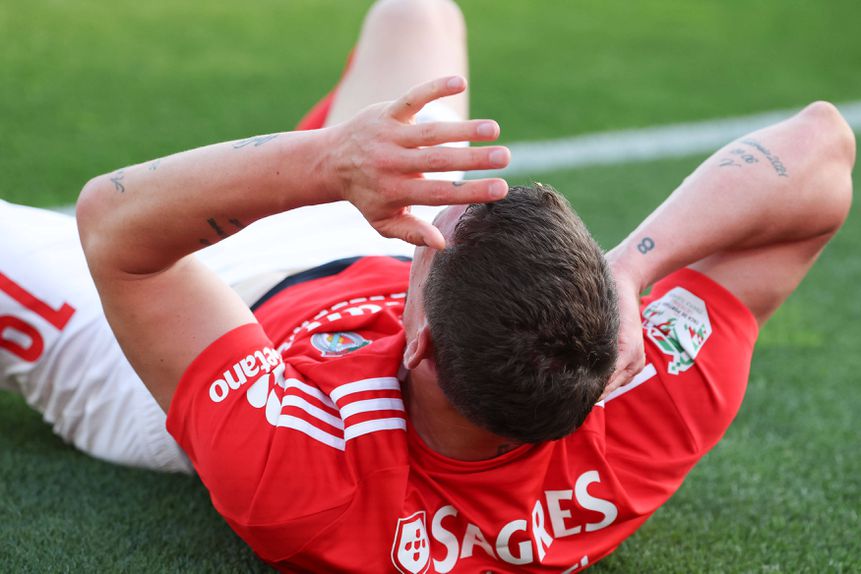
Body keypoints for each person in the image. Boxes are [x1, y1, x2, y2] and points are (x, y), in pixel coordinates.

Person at [2, 1, 855, 573]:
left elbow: (118, 231)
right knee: (422, 11)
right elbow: (821, 150)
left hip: (195, 331)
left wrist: (325, 165)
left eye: (436, 242)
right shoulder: (636, 417)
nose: (436, 219)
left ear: (416, 340)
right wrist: (631, 268)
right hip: (355, 255)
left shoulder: (309, 482)